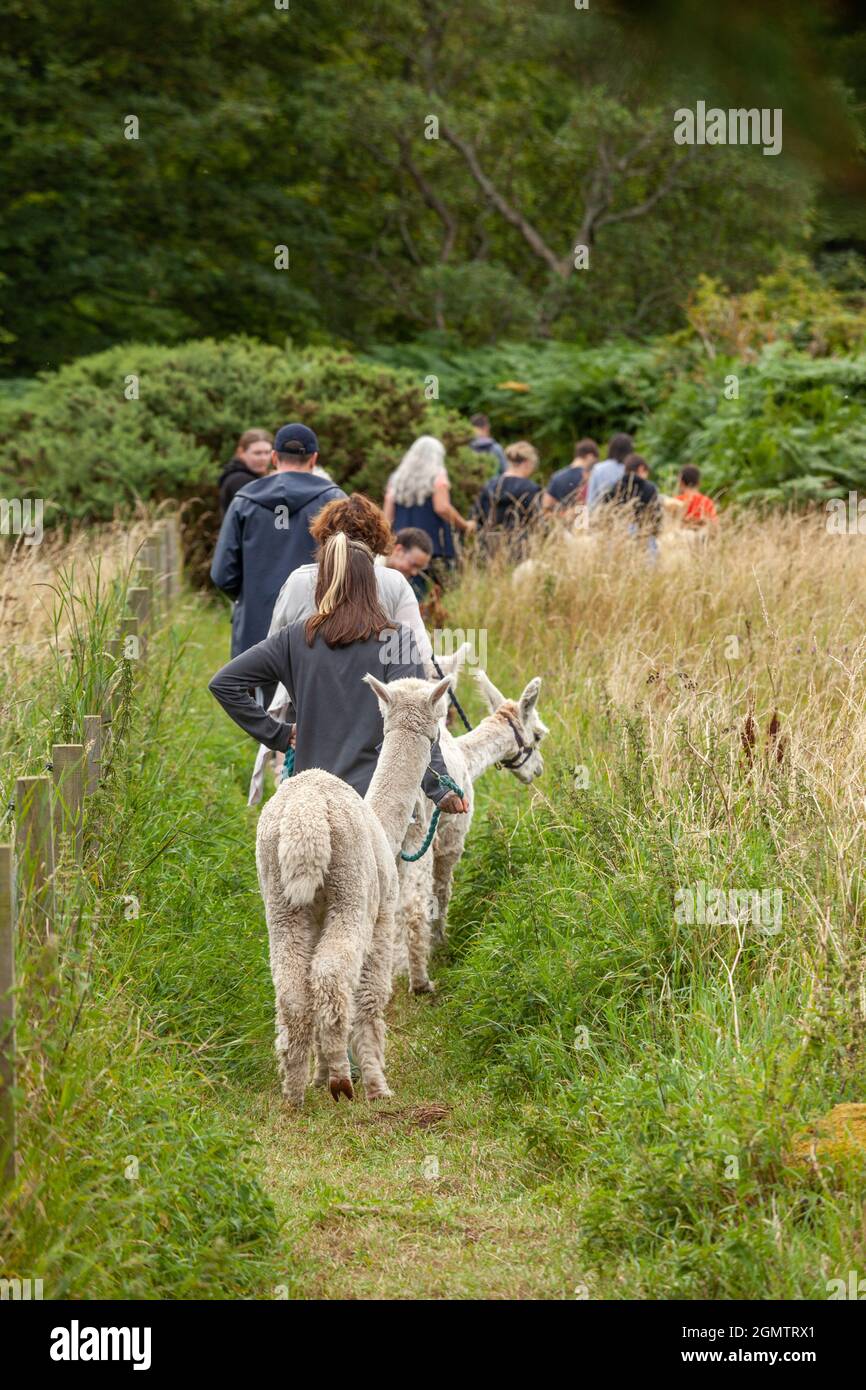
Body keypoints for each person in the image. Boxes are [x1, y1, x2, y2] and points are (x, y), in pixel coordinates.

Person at [209, 532, 468, 816]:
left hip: (310, 801)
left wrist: (278, 735)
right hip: (375, 803)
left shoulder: (295, 638)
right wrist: (440, 786)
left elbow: (225, 683)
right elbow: (414, 719)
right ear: (372, 585)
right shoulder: (398, 639)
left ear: (322, 584)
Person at [251, 498, 435, 805]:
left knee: (301, 797)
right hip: (371, 710)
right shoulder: (393, 583)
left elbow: (273, 649)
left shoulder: (298, 581)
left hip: (305, 706)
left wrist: (276, 731)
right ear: (377, 541)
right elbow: (420, 653)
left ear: (324, 536)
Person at [211, 423, 345, 659]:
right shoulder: (335, 501)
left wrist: (252, 595)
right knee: (309, 693)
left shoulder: (243, 500)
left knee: (253, 691)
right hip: (318, 625)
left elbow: (222, 573)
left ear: (274, 457)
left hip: (255, 624)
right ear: (314, 459)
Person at [382, 435, 474, 576]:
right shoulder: (437, 476)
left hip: (403, 549)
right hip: (434, 547)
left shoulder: (396, 479)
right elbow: (442, 507)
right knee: (436, 593)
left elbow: (387, 518)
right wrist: (465, 526)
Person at [471, 441, 542, 552]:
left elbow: (475, 518)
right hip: (519, 548)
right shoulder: (531, 489)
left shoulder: (489, 485)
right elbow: (538, 522)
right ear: (528, 463)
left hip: (488, 548)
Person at [605, 453, 663, 548]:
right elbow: (656, 517)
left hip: (618, 539)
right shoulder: (650, 488)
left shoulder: (616, 486)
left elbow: (607, 514)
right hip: (644, 539)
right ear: (641, 468)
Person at [218, 429, 274, 516]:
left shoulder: (252, 476)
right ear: (241, 452)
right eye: (257, 453)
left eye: (267, 452)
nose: (263, 458)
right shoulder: (239, 480)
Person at [543, 439, 599, 512]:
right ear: (590, 456)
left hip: (562, 521)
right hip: (586, 521)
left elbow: (546, 505)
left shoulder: (557, 476)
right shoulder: (591, 476)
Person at [586, 432, 634, 512]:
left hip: (602, 516)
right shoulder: (631, 469)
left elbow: (591, 500)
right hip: (626, 516)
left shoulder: (598, 469)